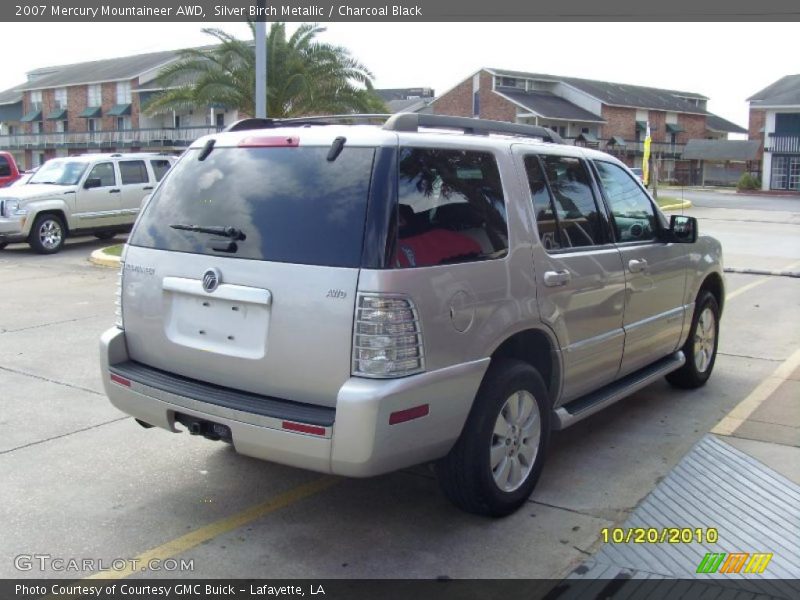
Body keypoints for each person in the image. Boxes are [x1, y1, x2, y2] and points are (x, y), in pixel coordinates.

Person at [395, 204, 482, 268]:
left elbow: (476, 254)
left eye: (398, 220)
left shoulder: (441, 236)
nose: (395, 225)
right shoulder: (387, 250)